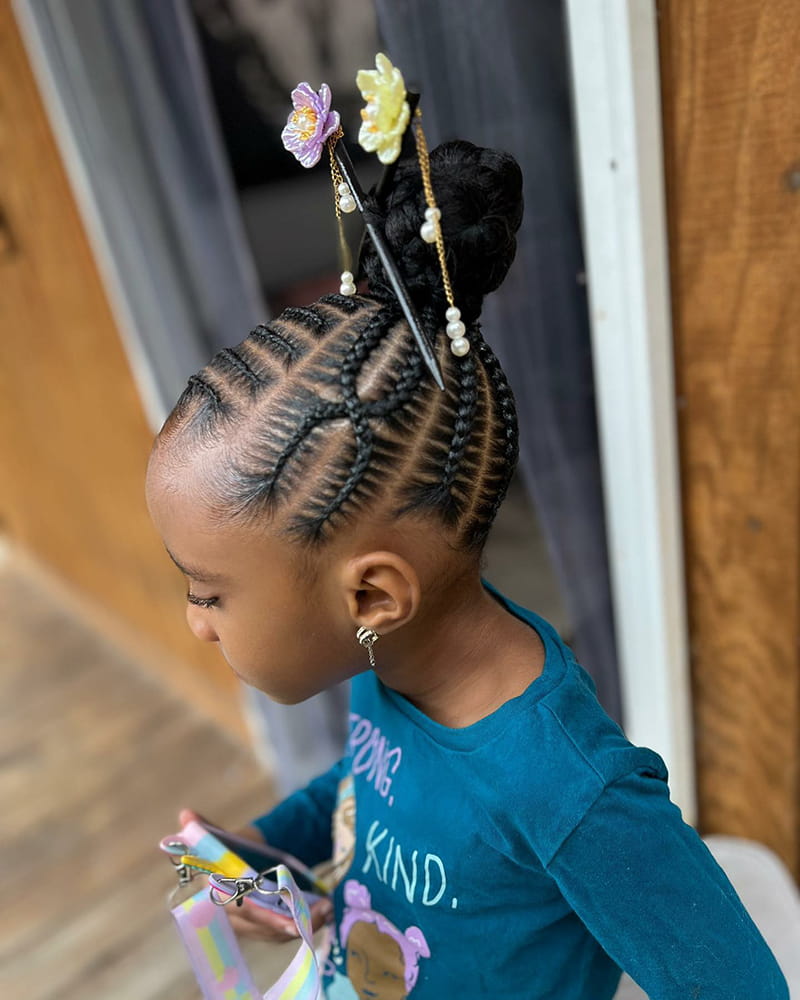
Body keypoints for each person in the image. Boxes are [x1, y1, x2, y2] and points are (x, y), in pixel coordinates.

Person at [146, 138, 788, 999]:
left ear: (372, 593)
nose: (197, 618)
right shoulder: (386, 656)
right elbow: (370, 787)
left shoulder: (570, 791)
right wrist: (259, 856)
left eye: (210, 592)